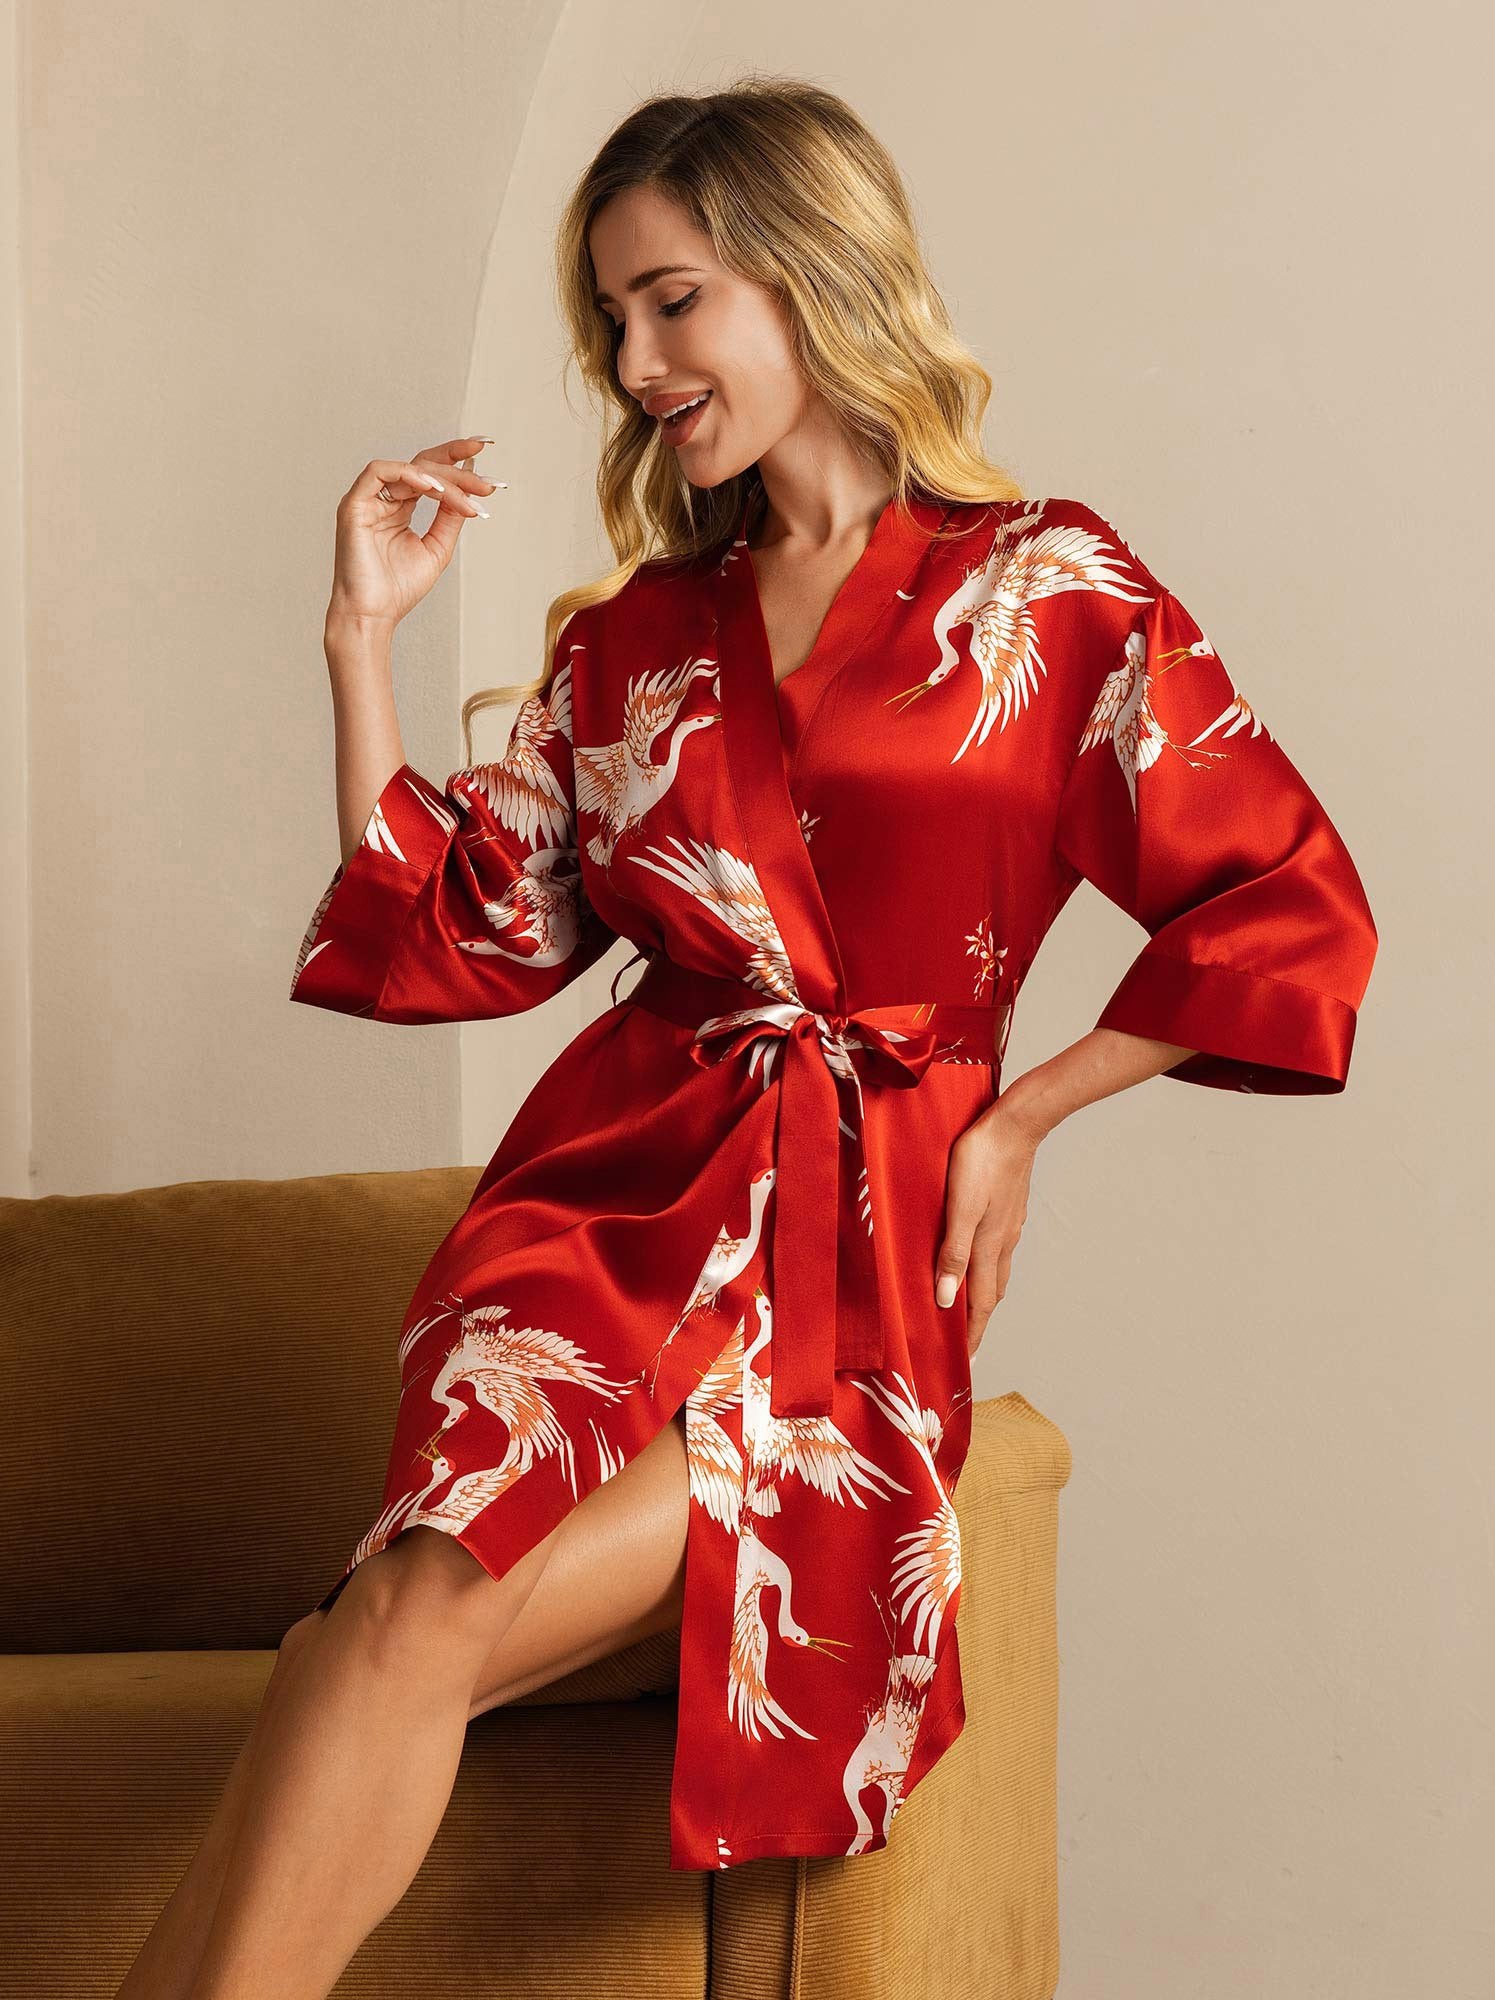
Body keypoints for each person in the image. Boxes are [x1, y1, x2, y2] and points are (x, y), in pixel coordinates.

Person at [115, 74, 1378, 2000]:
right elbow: (461, 925)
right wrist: (360, 641)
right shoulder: (632, 636)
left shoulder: (1048, 588)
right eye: (610, 318)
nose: (633, 364)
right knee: (406, 1618)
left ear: (810, 274)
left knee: (373, 1641)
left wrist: (1022, 1114)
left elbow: (1286, 895)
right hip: (599, 1225)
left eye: (672, 301)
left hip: (850, 1267)